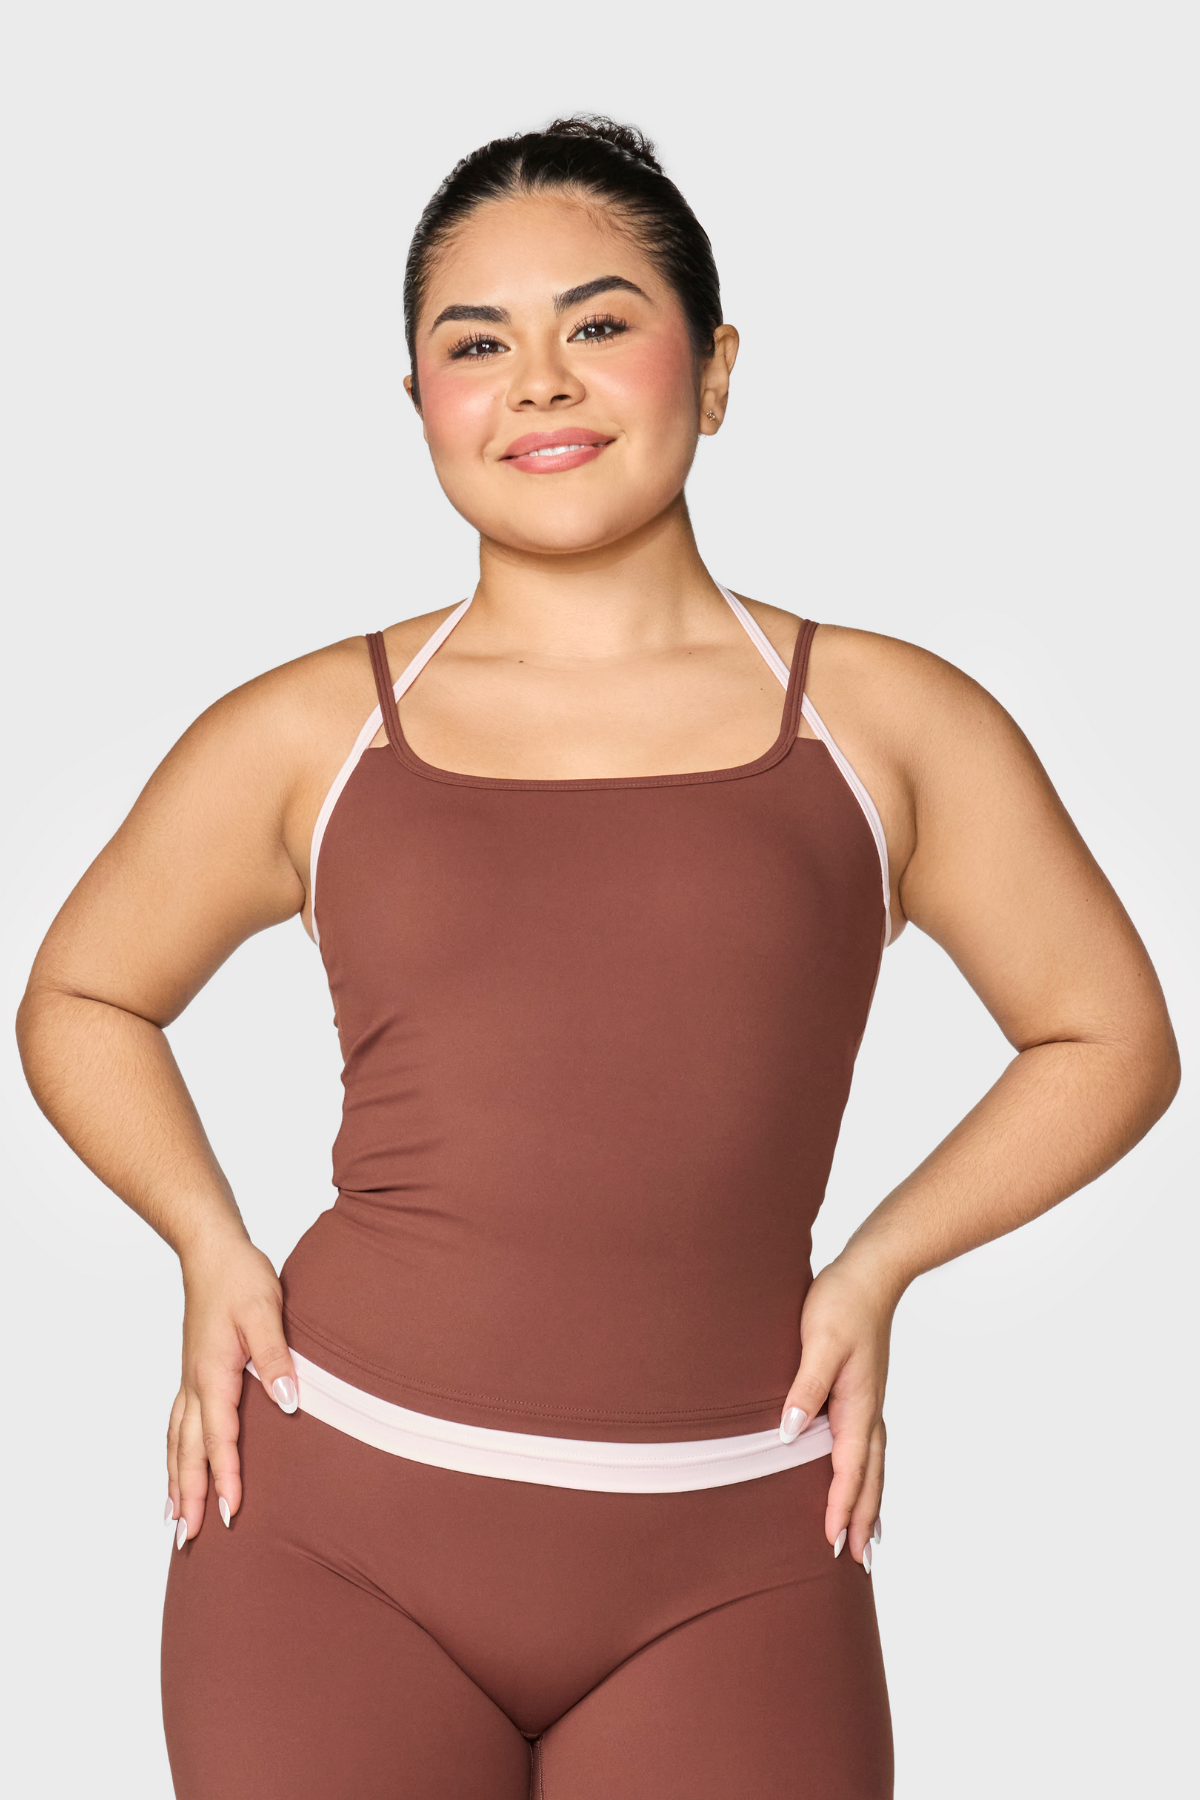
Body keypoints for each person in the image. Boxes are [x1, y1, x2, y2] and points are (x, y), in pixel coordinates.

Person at [16, 116, 1178, 1800]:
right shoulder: (312, 731)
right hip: (331, 1536)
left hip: (739, 1556)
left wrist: (878, 1266)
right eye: (476, 345)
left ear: (716, 368)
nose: (538, 383)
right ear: (419, 401)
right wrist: (207, 1242)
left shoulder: (888, 723)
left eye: (599, 322)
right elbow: (81, 994)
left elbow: (1107, 1035)